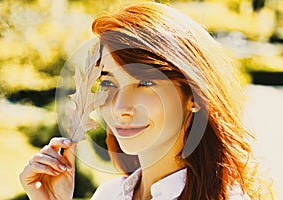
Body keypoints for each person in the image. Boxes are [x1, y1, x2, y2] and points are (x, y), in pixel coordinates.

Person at [19, 2, 268, 199]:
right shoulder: (109, 195)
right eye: (108, 83)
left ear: (194, 96)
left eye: (145, 83)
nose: (119, 108)